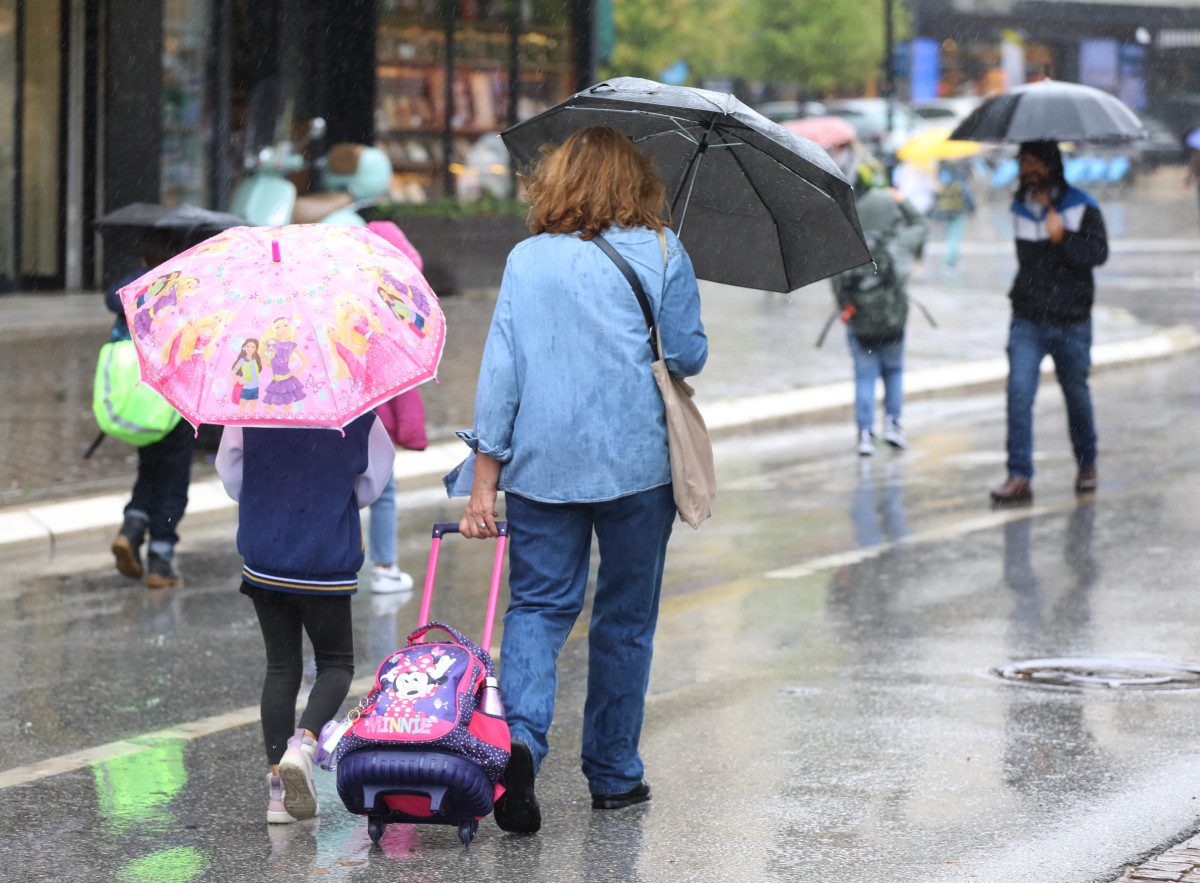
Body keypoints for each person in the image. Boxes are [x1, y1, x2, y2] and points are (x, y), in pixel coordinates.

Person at [445, 125, 707, 834]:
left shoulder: (527, 259)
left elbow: (501, 373)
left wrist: (483, 485)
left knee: (537, 608)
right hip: (635, 467)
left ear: (557, 181)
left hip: (541, 464)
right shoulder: (662, 250)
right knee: (624, 619)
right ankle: (615, 775)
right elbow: (687, 355)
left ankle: (522, 743)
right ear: (637, 182)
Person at [215, 411, 395, 823]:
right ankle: (306, 743)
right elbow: (373, 479)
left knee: (281, 667)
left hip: (266, 550)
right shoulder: (355, 409)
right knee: (336, 664)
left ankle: (278, 789)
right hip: (324, 554)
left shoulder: (252, 402)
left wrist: (268, 498)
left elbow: (230, 471)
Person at [990, 140, 1108, 505]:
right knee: (1019, 393)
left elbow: (1097, 255)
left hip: (1071, 319)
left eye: (1034, 163)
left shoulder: (1082, 207)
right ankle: (1019, 475)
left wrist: (1063, 238)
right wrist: (1046, 231)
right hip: (1027, 318)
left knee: (1076, 394)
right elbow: (1031, 264)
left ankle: (1087, 464)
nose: (1028, 171)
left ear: (1050, 165)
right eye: (1023, 163)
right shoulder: (1019, 209)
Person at [106, 230, 196, 589]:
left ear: (143, 260)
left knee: (149, 469)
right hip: (174, 404)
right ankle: (161, 558)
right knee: (173, 481)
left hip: (142, 400)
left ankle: (131, 527)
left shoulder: (129, 293)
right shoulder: (181, 292)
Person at [830, 161, 929, 456]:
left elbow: (838, 284)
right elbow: (921, 225)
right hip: (893, 322)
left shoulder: (850, 247)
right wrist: (901, 199)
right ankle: (894, 425)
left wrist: (847, 306)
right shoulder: (898, 244)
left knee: (864, 376)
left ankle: (864, 434)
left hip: (860, 323)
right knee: (894, 372)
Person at [368, 390, 428, 594]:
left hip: (327, 423)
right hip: (371, 422)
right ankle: (384, 569)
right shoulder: (378, 355)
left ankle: (321, 570)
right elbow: (402, 391)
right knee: (383, 494)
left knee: (333, 496)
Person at [931, 159, 976, 268]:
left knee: (949, 236)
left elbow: (936, 197)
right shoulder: (959, 175)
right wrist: (972, 209)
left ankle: (951, 260)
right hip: (957, 210)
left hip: (944, 211)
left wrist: (935, 216)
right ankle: (950, 261)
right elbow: (966, 193)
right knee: (954, 237)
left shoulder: (940, 175)